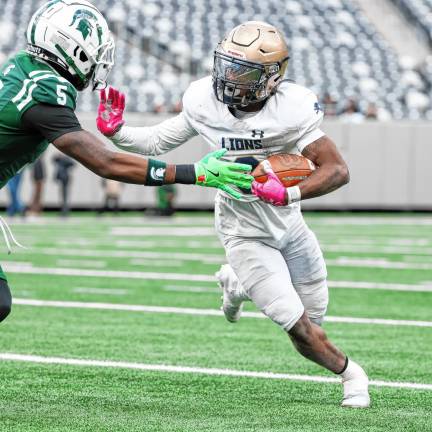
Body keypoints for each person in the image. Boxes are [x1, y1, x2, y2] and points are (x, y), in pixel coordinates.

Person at [97, 21, 370, 408]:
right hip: (242, 230)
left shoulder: (291, 109)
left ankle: (237, 284)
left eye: (243, 72)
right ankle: (352, 375)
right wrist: (117, 132)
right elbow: (159, 139)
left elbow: (337, 170)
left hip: (289, 225)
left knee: (316, 316)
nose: (230, 79)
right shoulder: (203, 102)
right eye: (226, 66)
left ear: (273, 77)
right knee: (300, 328)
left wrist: (288, 192)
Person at [0, 0, 253, 324]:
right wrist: (196, 173)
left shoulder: (24, 65)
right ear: (72, 49)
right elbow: (106, 163)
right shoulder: (45, 92)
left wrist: (118, 131)